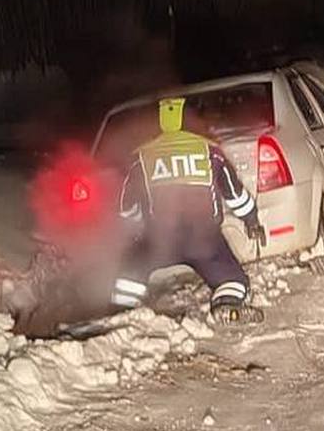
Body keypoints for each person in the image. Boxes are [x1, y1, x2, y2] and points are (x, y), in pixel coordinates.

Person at [110, 97, 267, 325]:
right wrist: (252, 220)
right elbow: (234, 194)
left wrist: (132, 235)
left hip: (159, 241)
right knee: (233, 279)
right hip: (205, 241)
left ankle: (121, 318)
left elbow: (126, 207)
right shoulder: (210, 152)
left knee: (129, 275)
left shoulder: (141, 158)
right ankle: (226, 304)